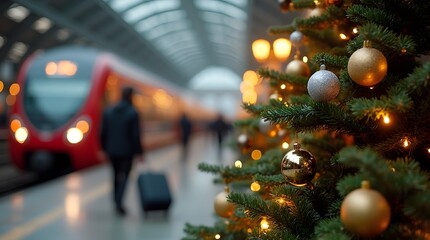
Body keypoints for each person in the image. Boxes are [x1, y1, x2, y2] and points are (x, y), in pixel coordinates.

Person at [100, 87, 143, 216]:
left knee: (115, 174)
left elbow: (103, 132)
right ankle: (119, 203)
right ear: (131, 96)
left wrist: (103, 149)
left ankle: (115, 200)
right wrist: (139, 152)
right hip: (127, 152)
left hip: (112, 151)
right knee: (125, 176)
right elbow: (135, 135)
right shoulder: (132, 112)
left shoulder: (108, 111)